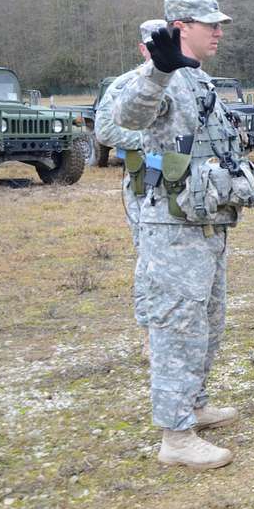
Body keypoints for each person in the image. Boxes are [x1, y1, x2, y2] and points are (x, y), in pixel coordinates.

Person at [112, 0, 254, 469]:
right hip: (172, 227)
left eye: (220, 24)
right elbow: (127, 119)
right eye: (209, 24)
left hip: (206, 222)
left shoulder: (198, 79)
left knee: (207, 322)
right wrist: (158, 70)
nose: (218, 31)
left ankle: (194, 404)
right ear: (181, 26)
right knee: (176, 326)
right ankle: (175, 436)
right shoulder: (158, 77)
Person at [96, 19, 164, 362]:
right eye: (154, 45)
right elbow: (105, 129)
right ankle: (151, 334)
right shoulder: (127, 84)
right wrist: (151, 140)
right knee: (150, 259)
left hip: (184, 187)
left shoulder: (183, 81)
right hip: (144, 185)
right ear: (142, 48)